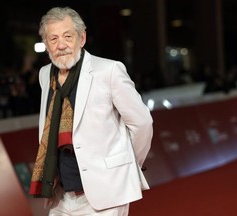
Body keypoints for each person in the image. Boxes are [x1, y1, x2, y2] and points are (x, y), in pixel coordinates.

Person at [29, 6, 153, 216]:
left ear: (82, 38)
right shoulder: (44, 75)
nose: (61, 45)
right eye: (53, 39)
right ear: (47, 44)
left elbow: (142, 124)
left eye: (68, 36)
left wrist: (125, 166)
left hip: (106, 192)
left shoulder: (109, 70)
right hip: (60, 192)